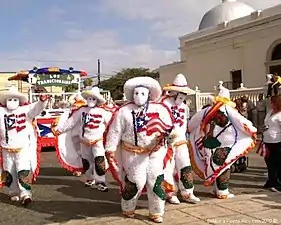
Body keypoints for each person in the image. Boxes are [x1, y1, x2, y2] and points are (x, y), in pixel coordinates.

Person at [105, 77, 175, 223]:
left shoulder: (160, 110)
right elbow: (115, 130)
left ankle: (157, 211)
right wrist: (110, 148)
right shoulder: (123, 111)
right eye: (136, 93)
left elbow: (168, 127)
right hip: (132, 152)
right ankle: (128, 206)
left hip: (155, 151)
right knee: (136, 181)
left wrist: (168, 137)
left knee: (155, 180)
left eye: (143, 93)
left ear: (149, 94)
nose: (139, 96)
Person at [188, 82, 257, 199]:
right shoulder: (229, 110)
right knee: (224, 166)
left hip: (209, 143)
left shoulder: (207, 110)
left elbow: (191, 124)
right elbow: (243, 122)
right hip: (225, 143)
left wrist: (195, 133)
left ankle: (215, 189)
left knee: (213, 165)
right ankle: (222, 191)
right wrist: (253, 130)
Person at [53, 87, 112, 191]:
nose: (90, 101)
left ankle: (101, 181)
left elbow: (112, 124)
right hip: (84, 140)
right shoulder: (81, 110)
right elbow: (71, 121)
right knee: (86, 162)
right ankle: (90, 178)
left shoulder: (104, 112)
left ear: (97, 100)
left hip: (97, 140)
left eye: (93, 99)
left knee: (99, 160)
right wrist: (60, 130)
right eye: (89, 98)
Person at [0, 86, 48, 206]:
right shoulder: (1, 112)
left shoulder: (25, 110)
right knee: (9, 171)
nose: (12, 102)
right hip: (6, 148)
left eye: (15, 99)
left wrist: (42, 101)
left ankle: (26, 193)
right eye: (9, 99)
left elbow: (36, 108)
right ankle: (13, 192)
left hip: (22, 148)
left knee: (23, 169)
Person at [160, 74, 200, 204]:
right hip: (167, 143)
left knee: (185, 166)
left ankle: (188, 192)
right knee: (168, 168)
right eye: (181, 93)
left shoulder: (184, 107)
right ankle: (170, 193)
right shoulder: (163, 104)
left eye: (184, 94)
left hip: (182, 141)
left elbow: (185, 123)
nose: (183, 96)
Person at [262, 94, 281, 192]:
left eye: (273, 102)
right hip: (267, 140)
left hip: (277, 141)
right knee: (269, 162)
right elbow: (266, 123)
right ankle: (271, 181)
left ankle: (276, 182)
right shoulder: (270, 112)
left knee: (277, 163)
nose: (271, 104)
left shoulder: (280, 114)